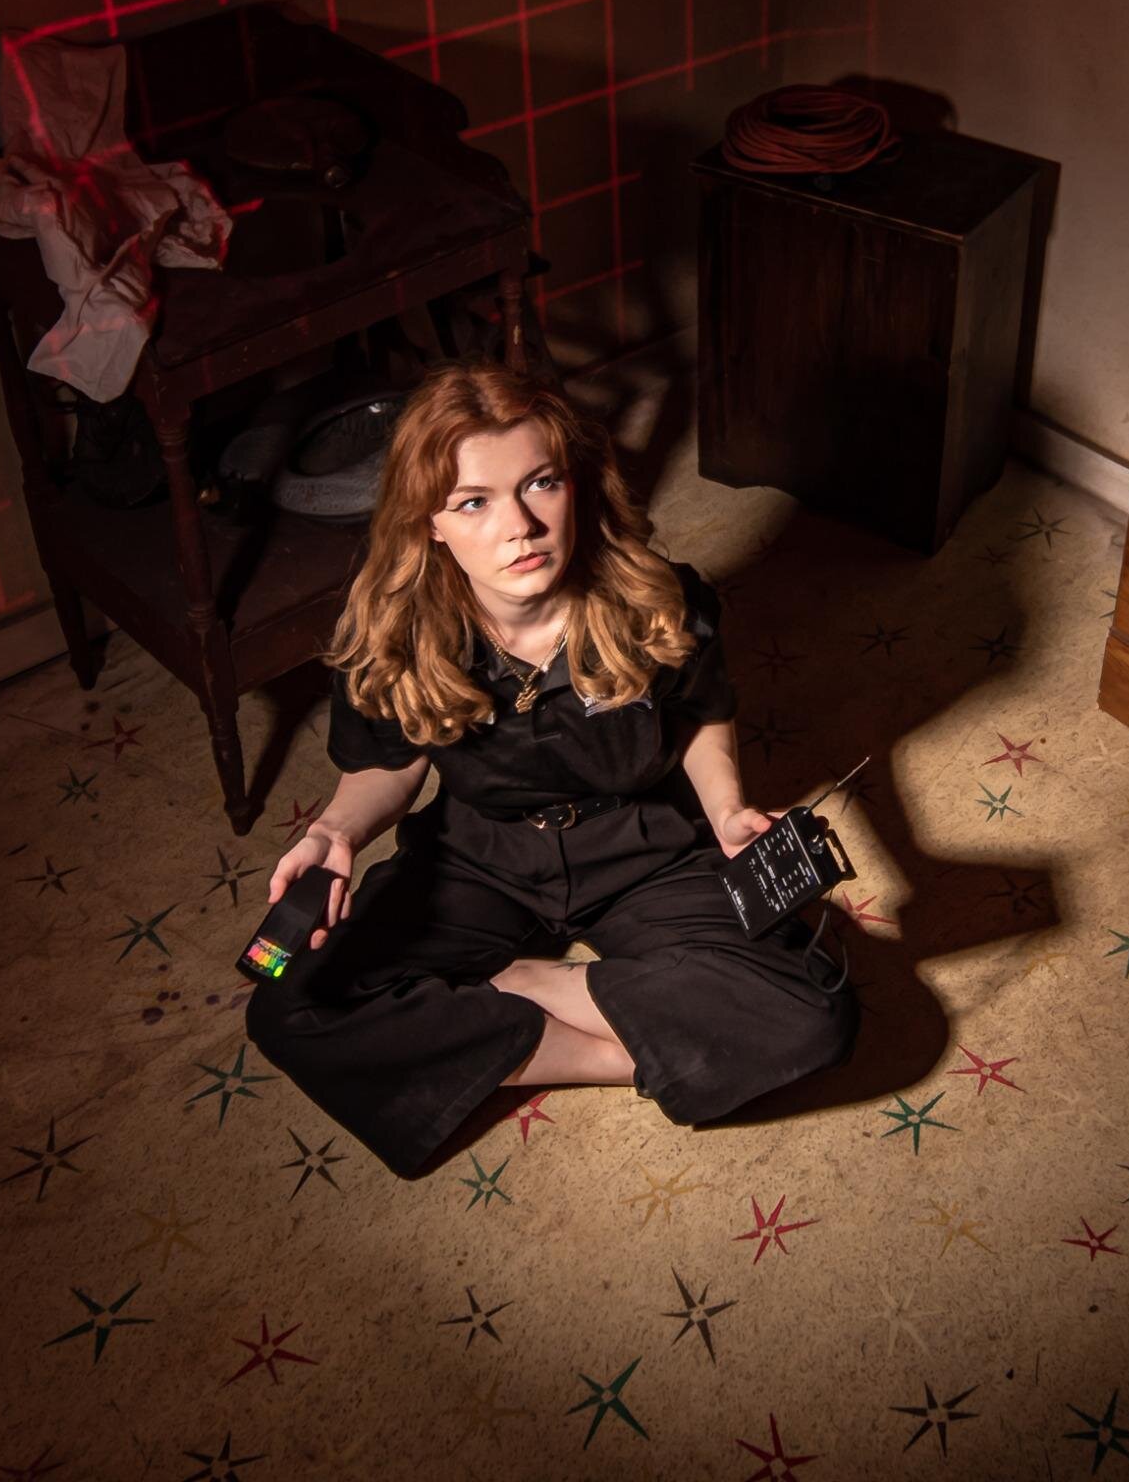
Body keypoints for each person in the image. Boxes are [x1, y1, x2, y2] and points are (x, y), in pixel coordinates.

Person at [242, 358, 858, 1178]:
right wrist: (335, 830)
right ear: (430, 521)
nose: (520, 527)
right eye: (474, 501)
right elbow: (392, 763)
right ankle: (621, 1049)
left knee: (813, 1010)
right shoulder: (395, 626)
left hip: (643, 844)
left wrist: (726, 811)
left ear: (576, 485)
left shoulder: (655, 598)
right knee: (289, 1004)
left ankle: (519, 989)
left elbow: (703, 712)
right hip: (481, 854)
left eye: (540, 484)